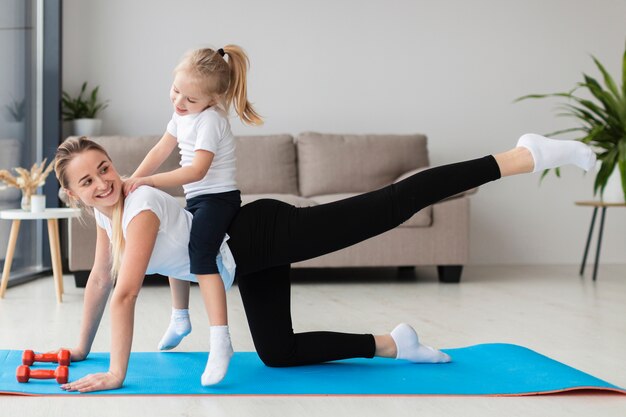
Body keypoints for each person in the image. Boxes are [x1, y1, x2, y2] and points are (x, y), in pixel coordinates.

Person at [53, 133, 596, 393]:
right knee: (279, 354)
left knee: (390, 204)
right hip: (244, 262)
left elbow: (124, 293)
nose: (104, 182)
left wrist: (116, 372)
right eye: (88, 181)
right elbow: (101, 279)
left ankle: (523, 156)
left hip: (258, 233)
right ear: (75, 196)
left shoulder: (140, 204)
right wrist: (81, 349)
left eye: (104, 168)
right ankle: (391, 344)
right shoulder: (108, 215)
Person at [122, 45, 263, 385]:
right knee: (175, 245)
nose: (179, 102)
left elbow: (197, 171)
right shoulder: (181, 114)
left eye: (190, 100)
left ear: (213, 100)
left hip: (219, 199)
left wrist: (148, 182)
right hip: (199, 200)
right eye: (176, 91)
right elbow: (161, 150)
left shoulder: (211, 120)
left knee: (201, 256)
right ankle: (180, 317)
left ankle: (221, 342)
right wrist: (133, 181)